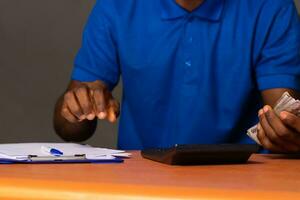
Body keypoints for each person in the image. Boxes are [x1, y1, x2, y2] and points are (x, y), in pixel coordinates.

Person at [53, 0, 300, 152]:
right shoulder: (116, 5)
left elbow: (284, 111)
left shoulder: (271, 6)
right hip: (142, 178)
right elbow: (69, 128)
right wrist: (77, 107)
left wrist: (287, 131)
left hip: (244, 179)